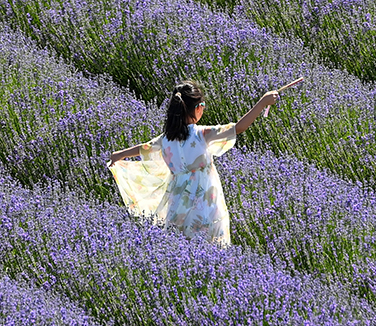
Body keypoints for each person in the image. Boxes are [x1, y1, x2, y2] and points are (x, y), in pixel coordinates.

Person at [108, 80, 279, 247]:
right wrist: (263, 102)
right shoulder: (201, 134)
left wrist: (119, 155)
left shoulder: (166, 138)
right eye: (202, 105)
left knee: (178, 244)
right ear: (197, 109)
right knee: (211, 246)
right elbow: (238, 127)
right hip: (205, 202)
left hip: (177, 203)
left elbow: (144, 148)